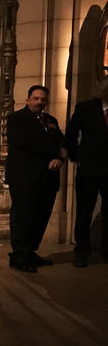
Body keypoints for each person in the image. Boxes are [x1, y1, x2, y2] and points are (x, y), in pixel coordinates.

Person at [5, 85, 66, 272]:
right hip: (25, 178)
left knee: (40, 217)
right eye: (36, 98)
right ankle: (19, 256)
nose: (39, 102)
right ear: (28, 99)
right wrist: (54, 153)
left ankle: (31, 251)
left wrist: (60, 157)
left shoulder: (51, 120)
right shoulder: (16, 119)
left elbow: (61, 141)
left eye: (43, 99)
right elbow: (26, 142)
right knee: (23, 217)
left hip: (47, 178)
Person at [64, 76, 108, 267]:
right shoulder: (85, 108)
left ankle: (106, 250)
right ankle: (82, 251)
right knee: (84, 212)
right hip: (89, 168)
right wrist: (78, 157)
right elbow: (70, 135)